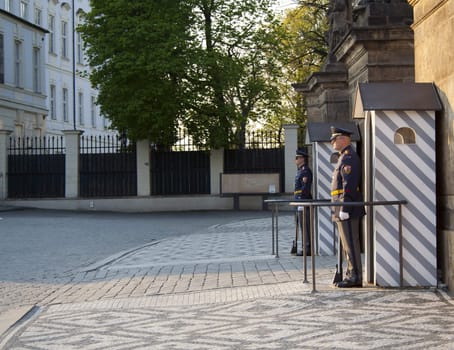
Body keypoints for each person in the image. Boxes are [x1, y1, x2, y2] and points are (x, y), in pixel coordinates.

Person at [330, 127, 365, 288]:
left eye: (334, 138)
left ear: (344, 139)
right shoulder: (343, 157)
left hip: (347, 206)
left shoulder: (348, 157)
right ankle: (351, 274)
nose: (332, 142)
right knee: (347, 243)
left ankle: (355, 276)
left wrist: (345, 207)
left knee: (351, 243)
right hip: (342, 205)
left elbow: (349, 184)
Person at [293, 148, 313, 256]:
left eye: (297, 158)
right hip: (299, 202)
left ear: (302, 159)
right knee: (302, 225)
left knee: (305, 226)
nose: (295, 160)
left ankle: (307, 248)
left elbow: (305, 188)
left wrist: (301, 201)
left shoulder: (305, 171)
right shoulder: (301, 170)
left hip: (303, 202)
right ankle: (305, 246)